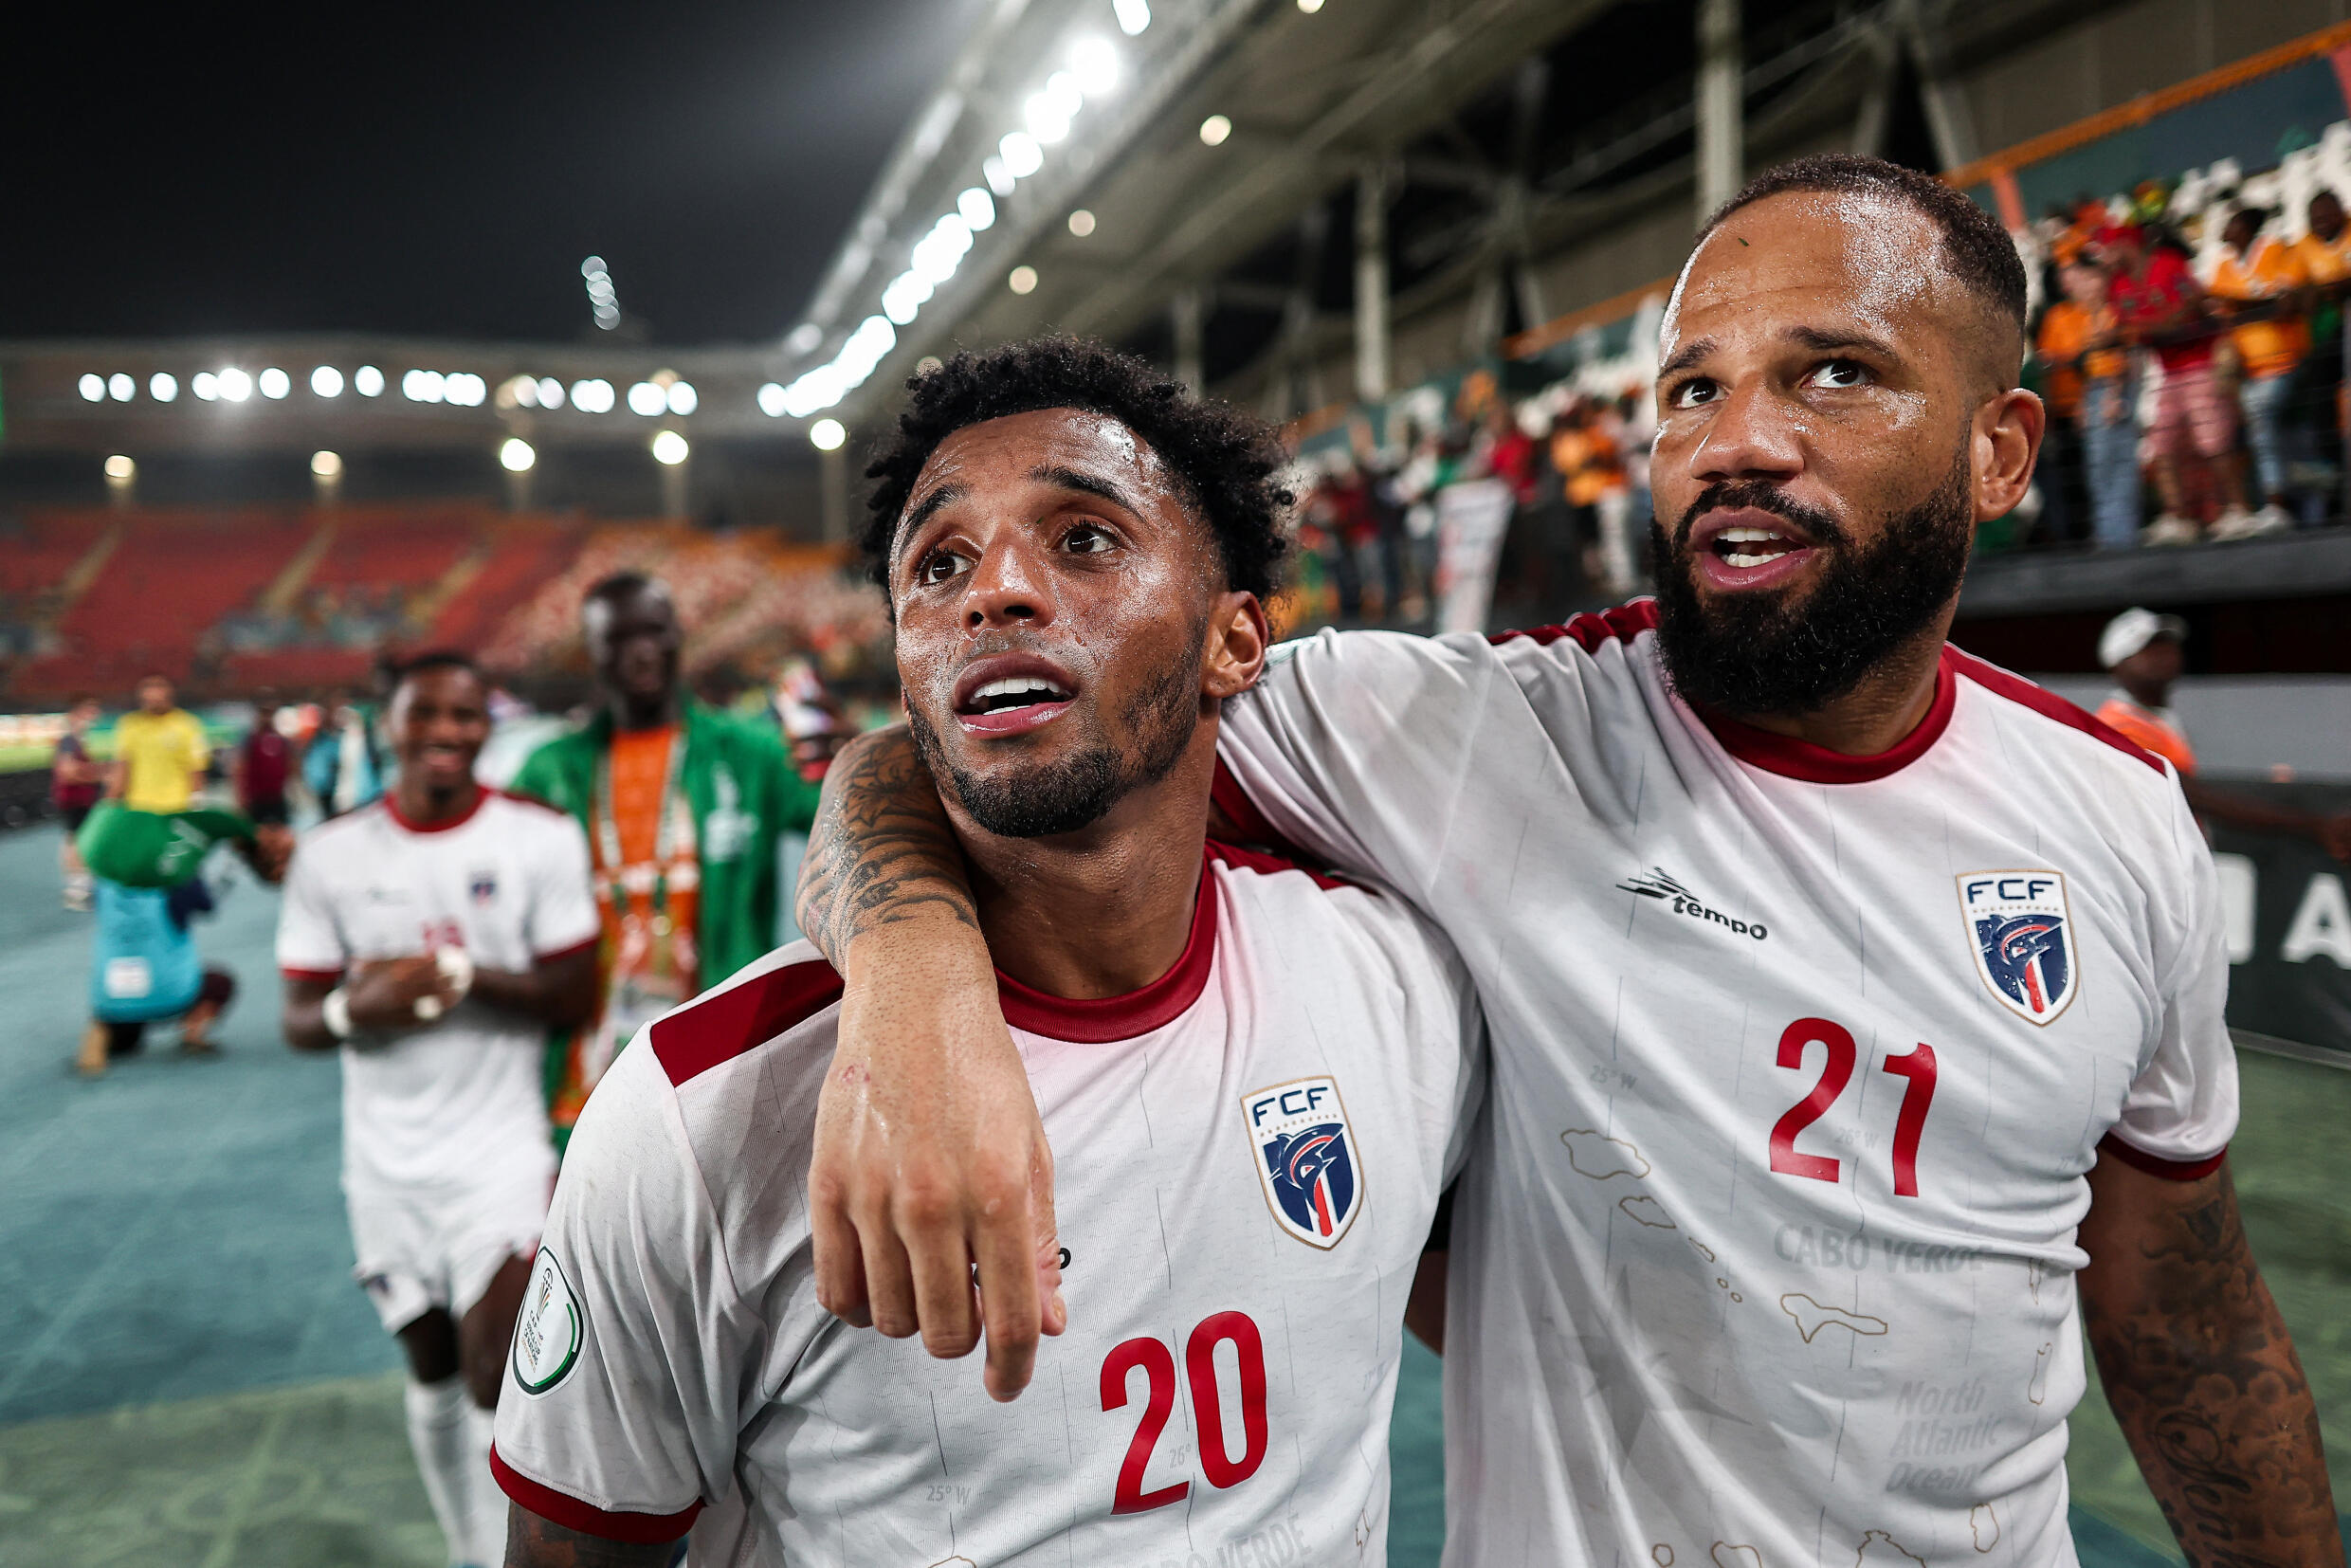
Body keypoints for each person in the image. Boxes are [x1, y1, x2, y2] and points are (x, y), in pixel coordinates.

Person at [794, 158, 2342, 1566]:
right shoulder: (1457, 735)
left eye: (1835, 374)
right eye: (1691, 389)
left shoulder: (2117, 816)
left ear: (2000, 452)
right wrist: (913, 976)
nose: (1735, 439)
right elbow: (939, 751)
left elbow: (2183, 1310)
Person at [491, 342, 1484, 1565]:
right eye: (939, 562)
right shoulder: (698, 1115)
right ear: (905, 675)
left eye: (1083, 538)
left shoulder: (1398, 985)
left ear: (1236, 639)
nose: (994, 593)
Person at [276, 651, 600, 1568]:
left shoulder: (537, 838)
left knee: (495, 1369)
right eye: (428, 716)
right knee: (428, 1369)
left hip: (498, 1151)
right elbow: (299, 1019)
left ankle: (499, 1557)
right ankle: (465, 1547)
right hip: (381, 1166)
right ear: (391, 724)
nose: (449, 733)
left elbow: (573, 994)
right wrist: (353, 1007)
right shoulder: (333, 854)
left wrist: (459, 979)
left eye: (466, 716)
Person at [508, 573, 823, 1150]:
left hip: (722, 1057)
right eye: (618, 638)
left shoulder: (749, 753)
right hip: (587, 1062)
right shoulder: (547, 770)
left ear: (678, 634)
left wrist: (867, 756)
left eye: (653, 631)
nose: (641, 650)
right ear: (592, 651)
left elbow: (844, 808)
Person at [2093, 607, 2351, 862]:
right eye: (2147, 648)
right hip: (2147, 866)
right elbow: (2194, 796)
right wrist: (2314, 825)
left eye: (2167, 644)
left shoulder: (2156, 718)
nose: (2163, 653)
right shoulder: (2120, 727)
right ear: (2116, 664)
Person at [72, 798, 288, 1076]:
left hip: (114, 998)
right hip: (172, 992)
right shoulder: (176, 873)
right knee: (220, 982)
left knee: (124, 1031)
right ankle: (194, 1031)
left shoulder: (104, 879)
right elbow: (207, 905)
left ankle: (101, 1030)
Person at [2105, 224, 2238, 542]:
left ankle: (2237, 510)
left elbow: (2193, 305)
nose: (2104, 255)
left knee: (2214, 441)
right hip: (2167, 371)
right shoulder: (2119, 283)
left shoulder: (2167, 262)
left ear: (2127, 244)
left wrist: (2151, 327)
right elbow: (2125, 327)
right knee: (2161, 444)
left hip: (2200, 362)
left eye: (2108, 247)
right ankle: (2178, 518)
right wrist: (2157, 325)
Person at [2205, 207, 2305, 538]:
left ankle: (2278, 505)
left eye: (2232, 221)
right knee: (2250, 437)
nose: (2226, 228)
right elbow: (2219, 309)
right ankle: (2261, 506)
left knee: (2265, 427)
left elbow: (2288, 305)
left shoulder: (2277, 250)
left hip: (2285, 362)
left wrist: (2240, 304)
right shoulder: (2223, 266)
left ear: (2246, 227)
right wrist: (2260, 303)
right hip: (2244, 373)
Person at [2033, 258, 2135, 547]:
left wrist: (2114, 395)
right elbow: (2051, 357)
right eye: (2078, 279)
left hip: (2112, 393)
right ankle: (2108, 534)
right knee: (2097, 467)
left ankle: (2118, 535)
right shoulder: (2079, 314)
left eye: (2087, 278)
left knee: (2113, 464)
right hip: (2088, 395)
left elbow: (2122, 356)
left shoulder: (2113, 311)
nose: (2082, 285)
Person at [109, 674, 209, 814]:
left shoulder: (187, 725)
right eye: (148, 687)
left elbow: (196, 768)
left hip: (177, 806)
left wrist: (196, 800)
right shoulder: (130, 725)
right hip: (138, 807)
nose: (153, 693)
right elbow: (123, 766)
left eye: (158, 686)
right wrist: (110, 801)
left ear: (170, 692)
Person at [51, 695, 103, 910]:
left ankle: (80, 886)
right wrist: (100, 773)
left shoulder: (77, 740)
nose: (93, 716)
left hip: (81, 799)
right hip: (73, 800)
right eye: (89, 711)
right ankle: (76, 888)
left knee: (78, 840)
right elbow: (67, 772)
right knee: (75, 841)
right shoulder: (69, 741)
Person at [304, 687, 387, 819]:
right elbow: (317, 778)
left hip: (364, 803)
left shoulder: (360, 738)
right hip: (336, 804)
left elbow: (371, 772)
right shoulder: (323, 742)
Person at [234, 689, 296, 826]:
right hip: (256, 799)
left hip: (277, 798)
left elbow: (290, 767)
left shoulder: (282, 740)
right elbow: (239, 767)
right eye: (264, 712)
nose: (267, 717)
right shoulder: (249, 739)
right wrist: (241, 798)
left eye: (270, 713)